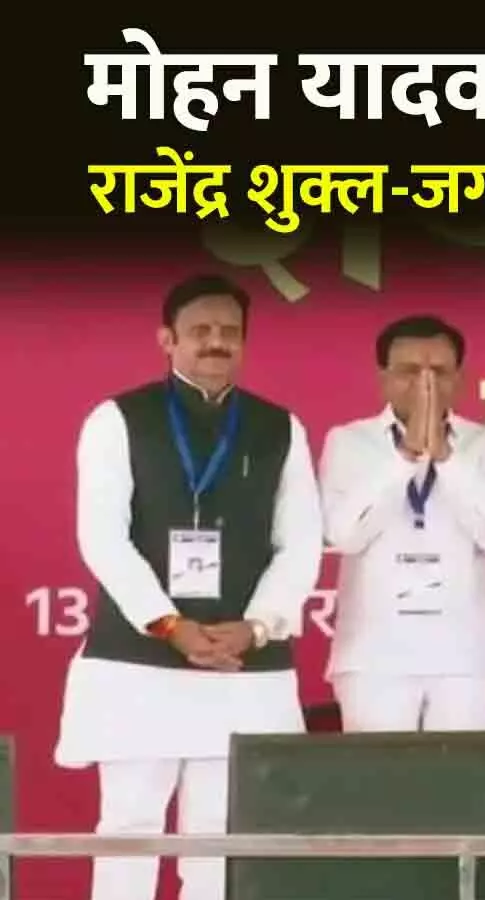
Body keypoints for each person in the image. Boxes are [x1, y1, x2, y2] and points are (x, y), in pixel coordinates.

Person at [54, 274, 324, 900]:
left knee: (219, 836)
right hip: (140, 659)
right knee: (129, 828)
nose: (215, 342)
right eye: (200, 330)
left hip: (241, 662)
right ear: (167, 339)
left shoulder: (279, 427)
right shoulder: (119, 419)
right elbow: (102, 537)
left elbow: (302, 542)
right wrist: (168, 624)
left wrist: (258, 624)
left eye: (229, 331)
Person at [321, 315, 485, 732]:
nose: (425, 383)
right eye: (410, 371)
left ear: (459, 379)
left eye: (439, 372)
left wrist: (448, 460)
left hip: (466, 655)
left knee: (463, 772)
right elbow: (344, 534)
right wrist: (404, 458)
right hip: (373, 654)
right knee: (377, 773)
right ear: (383, 379)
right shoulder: (349, 441)